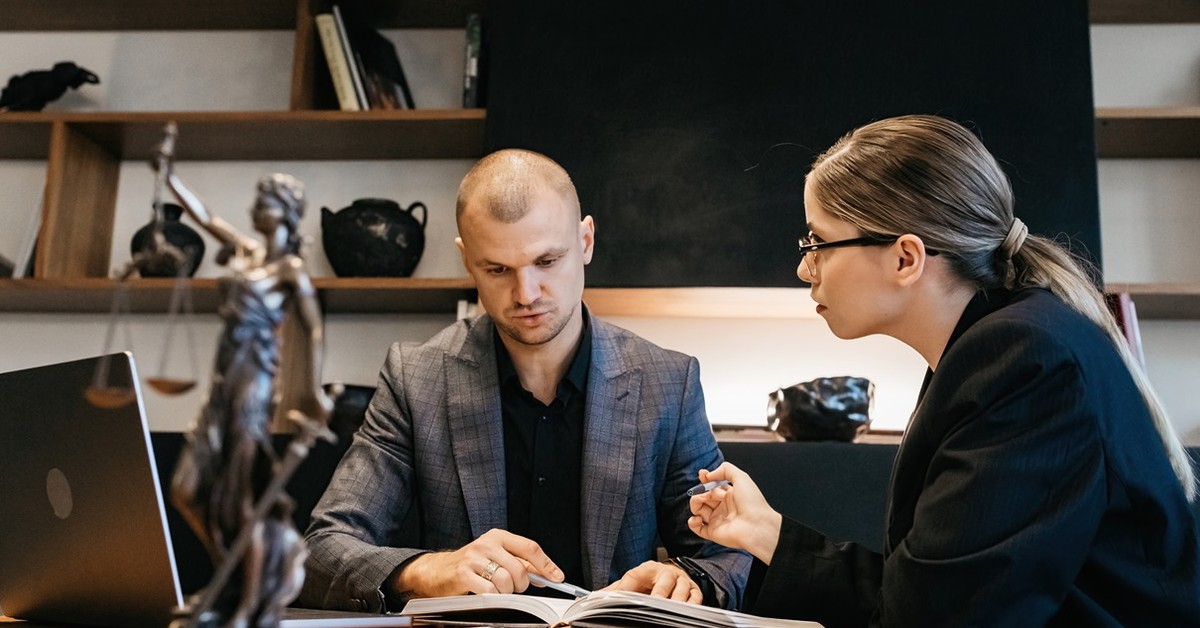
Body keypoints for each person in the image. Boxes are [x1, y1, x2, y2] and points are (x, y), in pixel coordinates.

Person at [688, 114, 1200, 627]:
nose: (805, 268)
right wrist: (767, 532)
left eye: (817, 243)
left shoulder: (1020, 358)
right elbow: (930, 592)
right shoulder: (1000, 345)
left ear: (906, 258)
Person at [300, 148, 749, 612]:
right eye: (497, 269)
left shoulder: (668, 382)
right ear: (467, 260)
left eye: (547, 261)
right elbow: (321, 550)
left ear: (586, 241)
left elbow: (726, 551)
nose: (526, 293)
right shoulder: (416, 379)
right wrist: (428, 570)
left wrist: (683, 579)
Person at [159, 126, 335, 627]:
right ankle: (227, 580)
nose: (256, 206)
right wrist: (170, 177)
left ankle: (246, 606)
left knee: (241, 502)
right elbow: (204, 216)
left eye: (266, 198)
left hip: (252, 391)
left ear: (285, 209)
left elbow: (314, 328)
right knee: (188, 490)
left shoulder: (289, 271)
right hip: (220, 387)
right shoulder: (246, 251)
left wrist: (314, 391)